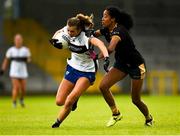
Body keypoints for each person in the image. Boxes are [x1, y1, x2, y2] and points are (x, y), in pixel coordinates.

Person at [93, 6, 153, 127]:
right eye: (103, 16)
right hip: (121, 64)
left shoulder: (119, 31)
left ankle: (148, 118)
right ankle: (116, 113)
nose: (102, 19)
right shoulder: (106, 30)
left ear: (113, 19)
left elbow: (110, 49)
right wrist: (81, 30)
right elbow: (92, 35)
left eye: (105, 16)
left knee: (135, 100)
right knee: (103, 86)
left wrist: (95, 57)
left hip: (136, 65)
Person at [50, 13, 109, 128]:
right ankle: (75, 98)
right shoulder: (67, 30)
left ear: (79, 30)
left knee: (70, 99)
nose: (69, 33)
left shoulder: (86, 37)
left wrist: (106, 57)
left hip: (87, 71)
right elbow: (58, 33)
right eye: (68, 30)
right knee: (59, 101)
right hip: (72, 67)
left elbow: (100, 43)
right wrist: (54, 41)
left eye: (72, 31)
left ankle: (57, 123)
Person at [0, 34, 31, 108]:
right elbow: (6, 60)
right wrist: (3, 69)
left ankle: (21, 100)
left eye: (19, 39)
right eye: (17, 40)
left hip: (23, 71)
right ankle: (14, 102)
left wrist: (26, 59)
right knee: (16, 87)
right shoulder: (11, 50)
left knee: (23, 89)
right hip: (14, 72)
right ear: (14, 41)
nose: (18, 41)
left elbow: (29, 59)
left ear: (21, 40)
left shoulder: (25, 50)